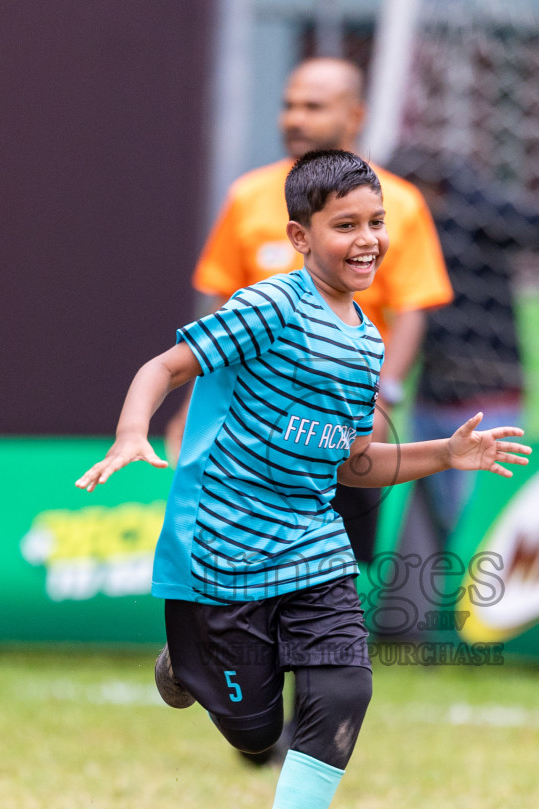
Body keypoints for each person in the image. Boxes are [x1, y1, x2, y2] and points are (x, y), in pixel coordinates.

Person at [74, 150, 529, 809]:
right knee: (255, 733)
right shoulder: (268, 308)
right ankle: (189, 666)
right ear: (299, 235)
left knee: (345, 693)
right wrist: (129, 432)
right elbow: (165, 366)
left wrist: (446, 455)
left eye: (376, 223)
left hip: (312, 541)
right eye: (345, 226)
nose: (367, 240)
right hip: (225, 549)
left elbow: (354, 462)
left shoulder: (367, 340)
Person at [176, 57, 452, 567]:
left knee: (336, 563)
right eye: (288, 106)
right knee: (231, 554)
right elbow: (217, 308)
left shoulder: (402, 203)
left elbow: (412, 310)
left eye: (313, 106)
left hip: (340, 418)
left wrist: (383, 393)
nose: (294, 119)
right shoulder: (248, 196)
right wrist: (192, 405)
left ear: (355, 115)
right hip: (250, 421)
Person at [388, 147, 539, 537]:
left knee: (485, 525)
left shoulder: (475, 215)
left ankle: (479, 597)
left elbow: (535, 225)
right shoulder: (395, 238)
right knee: (442, 525)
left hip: (489, 400)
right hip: (430, 398)